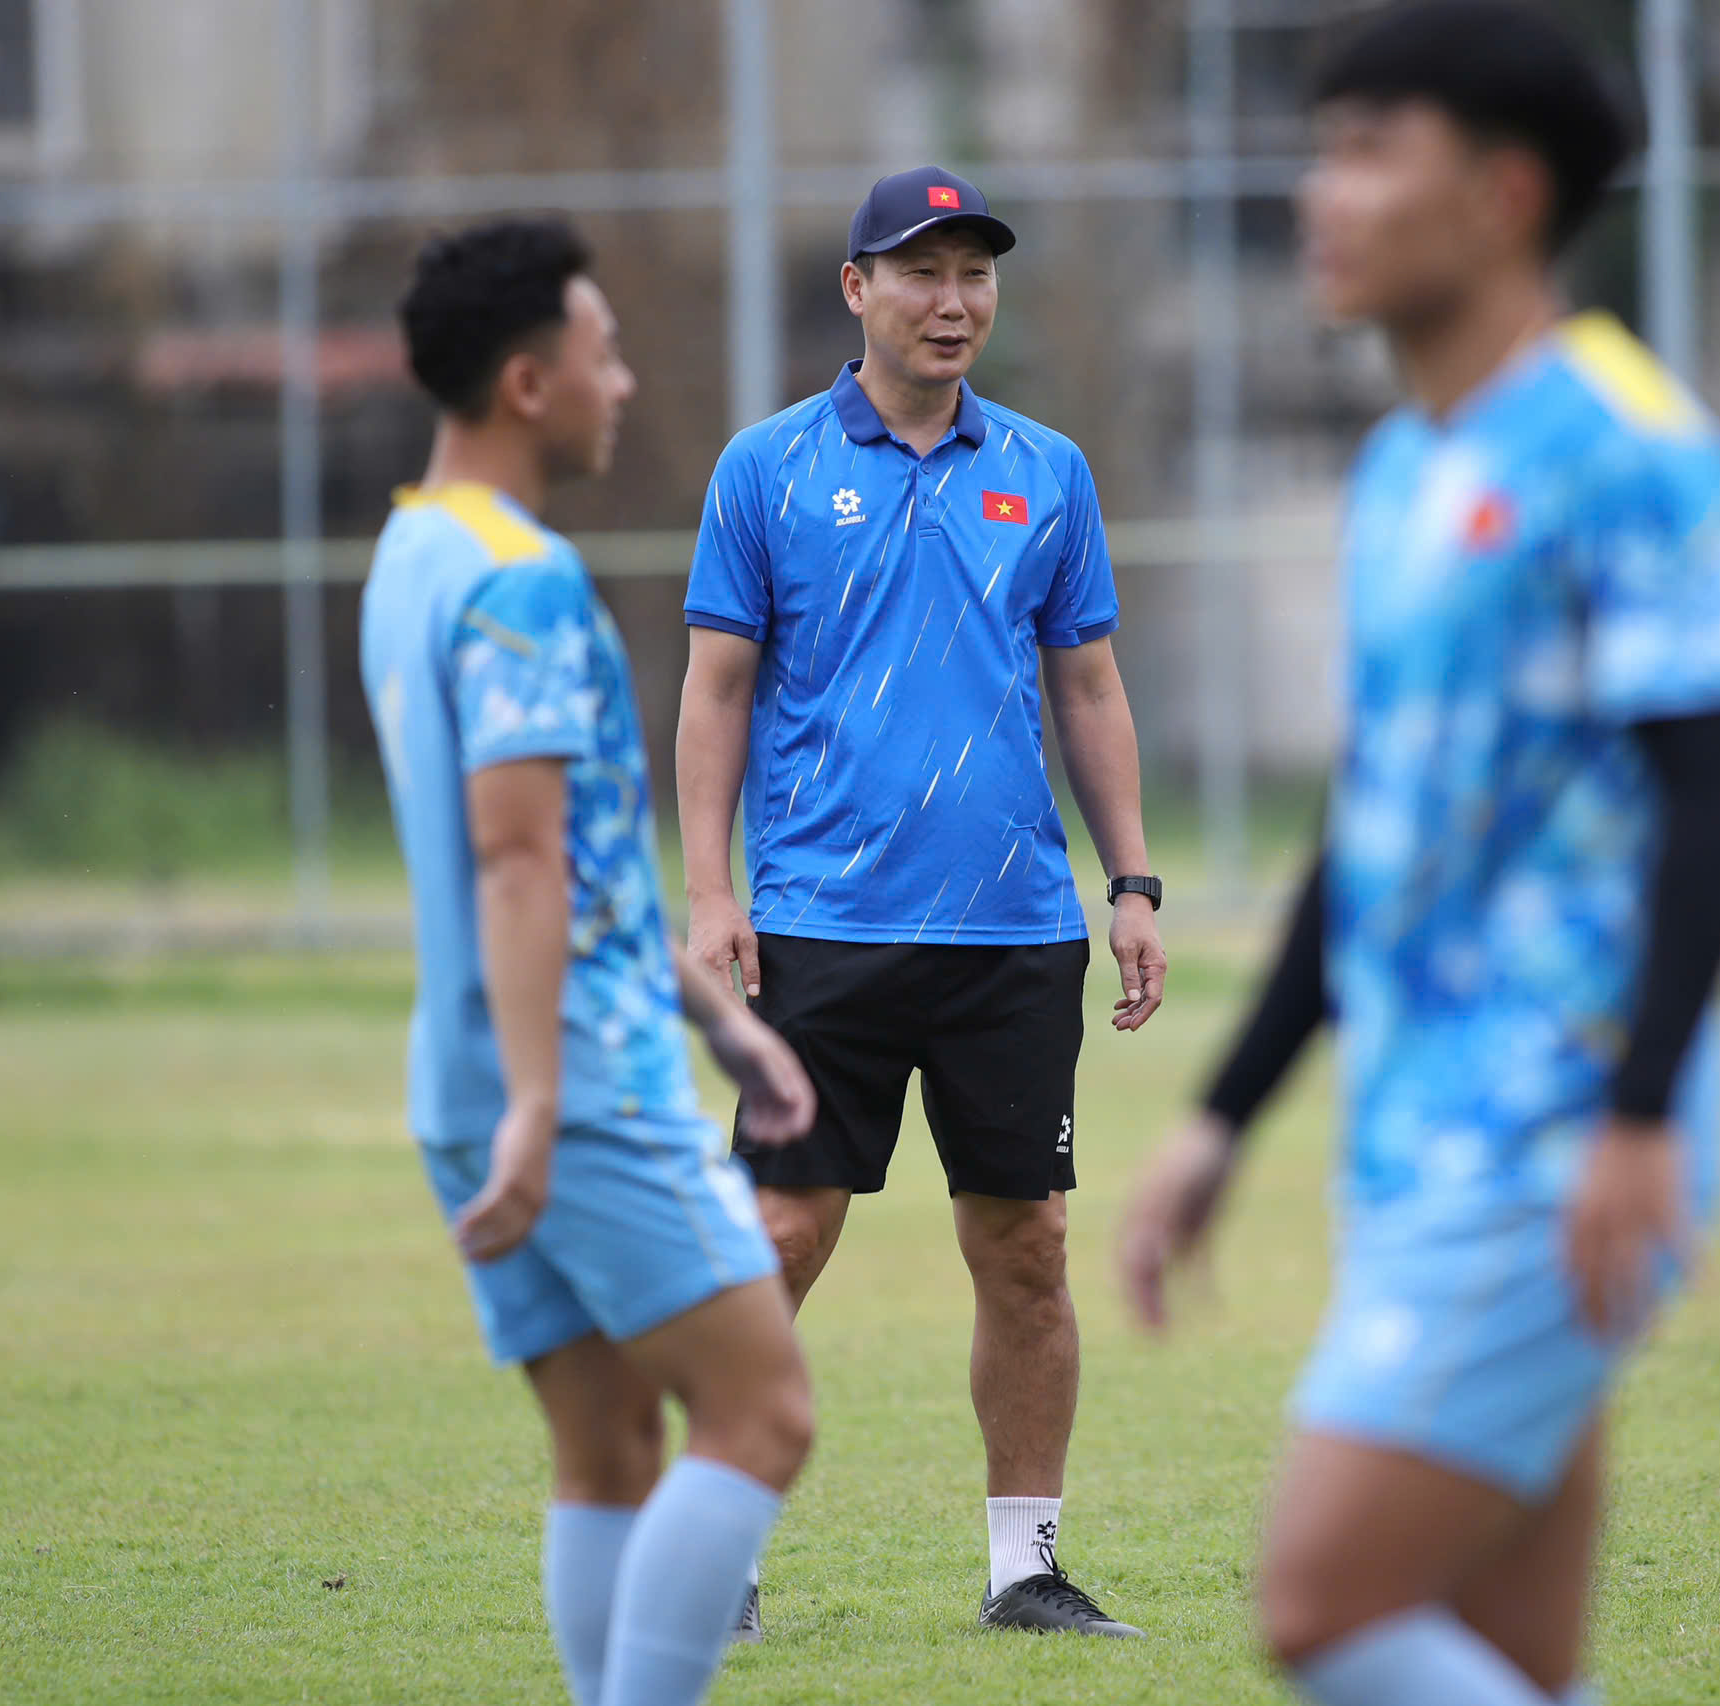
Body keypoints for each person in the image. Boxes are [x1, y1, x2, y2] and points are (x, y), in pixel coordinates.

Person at [1117, 6, 1720, 1703]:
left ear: (1500, 193)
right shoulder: (1405, 469)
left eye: (1365, 148)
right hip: (1420, 1125)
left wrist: (1638, 1112)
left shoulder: (1627, 445)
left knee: (1317, 1602)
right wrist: (1222, 1116)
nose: (1316, 192)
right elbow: (1374, 829)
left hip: (1549, 1143)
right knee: (1506, 1661)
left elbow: (1716, 792)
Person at [675, 166, 1159, 1637]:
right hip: (823, 922)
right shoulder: (764, 468)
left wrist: (1129, 877)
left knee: (1028, 1244)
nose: (955, 302)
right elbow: (715, 689)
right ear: (856, 290)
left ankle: (1027, 1567)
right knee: (781, 1236)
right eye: (922, 272)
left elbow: (1088, 684)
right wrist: (710, 892)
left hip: (1016, 927)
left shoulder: (1048, 470)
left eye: (976, 275)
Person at [360, 217, 820, 1706]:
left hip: (472, 1068)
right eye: (601, 351)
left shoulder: (412, 547)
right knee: (763, 1410)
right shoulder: (523, 578)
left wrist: (724, 1024)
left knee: (609, 1445)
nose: (622, 380)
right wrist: (547, 1103)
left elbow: (586, 864)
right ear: (525, 380)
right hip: (576, 1085)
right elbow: (518, 855)